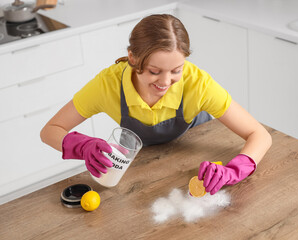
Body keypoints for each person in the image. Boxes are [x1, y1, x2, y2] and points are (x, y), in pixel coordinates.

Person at [40, 14, 272, 195]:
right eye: (154, 71)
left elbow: (260, 135)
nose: (165, 82)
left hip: (193, 160)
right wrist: (83, 146)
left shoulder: (198, 83)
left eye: (176, 71)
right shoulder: (107, 85)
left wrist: (233, 171)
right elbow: (49, 131)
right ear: (132, 58)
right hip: (141, 170)